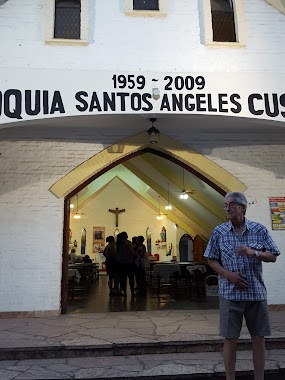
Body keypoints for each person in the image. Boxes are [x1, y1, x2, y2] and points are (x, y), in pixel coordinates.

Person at [204, 192, 280, 380]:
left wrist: (253, 252)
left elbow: (273, 255)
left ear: (243, 207)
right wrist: (229, 275)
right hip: (230, 294)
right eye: (225, 204)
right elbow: (211, 259)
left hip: (256, 293)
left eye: (231, 204)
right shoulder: (219, 232)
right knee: (230, 339)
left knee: (258, 339)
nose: (227, 208)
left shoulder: (259, 229)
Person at [116, 232, 136, 297]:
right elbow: (132, 251)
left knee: (123, 278)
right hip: (129, 262)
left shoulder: (118, 243)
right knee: (131, 278)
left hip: (121, 263)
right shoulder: (128, 243)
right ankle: (132, 292)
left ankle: (124, 292)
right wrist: (137, 256)